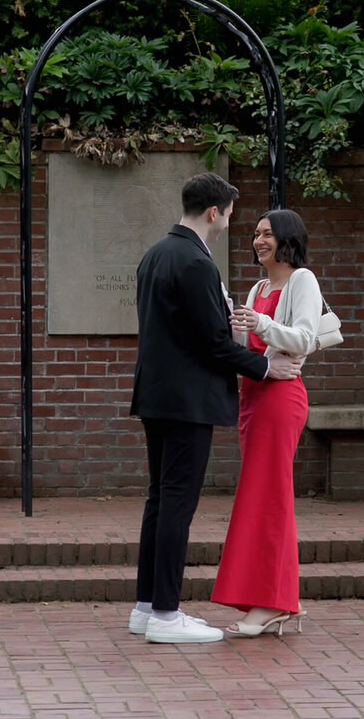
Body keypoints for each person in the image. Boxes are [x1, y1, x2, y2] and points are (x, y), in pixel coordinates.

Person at [128, 172, 302, 645]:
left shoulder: (155, 254)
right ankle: (166, 615)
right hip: (188, 401)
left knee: (159, 500)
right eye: (228, 215)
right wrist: (265, 367)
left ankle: (146, 606)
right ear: (213, 212)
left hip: (156, 396)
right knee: (177, 505)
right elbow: (213, 344)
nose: (228, 223)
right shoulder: (197, 262)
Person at [211, 207, 322, 638]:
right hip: (253, 396)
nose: (258, 241)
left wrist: (261, 322)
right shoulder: (258, 287)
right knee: (258, 496)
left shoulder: (302, 280)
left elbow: (305, 338)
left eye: (267, 234)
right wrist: (234, 321)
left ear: (287, 239)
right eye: (256, 234)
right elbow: (250, 346)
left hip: (281, 398)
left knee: (270, 497)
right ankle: (270, 599)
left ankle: (275, 602)